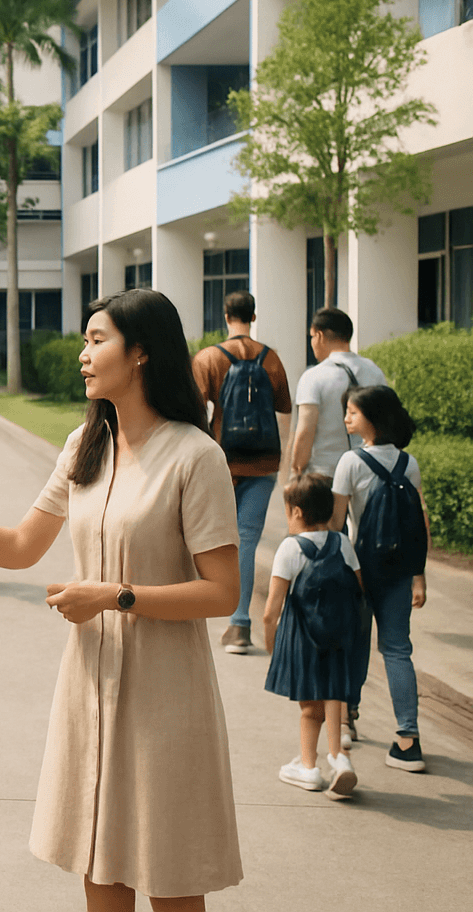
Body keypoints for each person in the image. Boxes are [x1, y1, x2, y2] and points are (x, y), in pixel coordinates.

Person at [0, 289, 243, 910]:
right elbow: (20, 545)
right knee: (100, 864)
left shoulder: (197, 457)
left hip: (167, 697)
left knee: (170, 876)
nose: (84, 356)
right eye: (86, 342)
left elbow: (223, 592)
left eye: (98, 341)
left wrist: (115, 596)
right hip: (91, 685)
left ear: (142, 354)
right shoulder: (82, 446)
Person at [330, 385, 431, 773]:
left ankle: (345, 720)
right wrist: (418, 577)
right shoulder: (409, 462)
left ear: (371, 418)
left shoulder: (350, 463)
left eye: (352, 413)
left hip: (359, 568)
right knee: (397, 650)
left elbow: (337, 525)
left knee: (352, 644)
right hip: (401, 572)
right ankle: (408, 739)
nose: (346, 420)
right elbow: (417, 525)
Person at [190, 290, 292, 656]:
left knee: (203, 536)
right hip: (264, 462)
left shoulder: (209, 358)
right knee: (246, 540)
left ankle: (184, 610)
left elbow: (194, 411)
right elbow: (283, 409)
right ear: (253, 315)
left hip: (223, 462)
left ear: (225, 313)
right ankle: (239, 626)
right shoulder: (272, 358)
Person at [261, 473, 362, 798]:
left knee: (309, 709)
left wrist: (271, 645)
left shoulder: (290, 548)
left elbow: (270, 611)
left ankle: (308, 768)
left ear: (298, 513)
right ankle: (340, 758)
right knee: (334, 695)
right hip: (337, 638)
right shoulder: (341, 542)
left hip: (302, 640)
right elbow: (357, 587)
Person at [290, 307, 386, 479]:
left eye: (312, 337)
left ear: (319, 336)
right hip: (368, 473)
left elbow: (305, 431)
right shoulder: (374, 371)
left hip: (325, 475)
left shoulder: (313, 377)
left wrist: (297, 470)